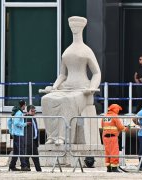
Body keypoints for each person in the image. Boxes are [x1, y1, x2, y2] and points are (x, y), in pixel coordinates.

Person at [41, 16, 101, 145]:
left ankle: (63, 137)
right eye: (72, 26)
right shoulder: (67, 51)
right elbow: (62, 74)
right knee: (46, 100)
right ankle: (52, 136)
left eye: (77, 26)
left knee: (68, 101)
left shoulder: (87, 50)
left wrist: (91, 88)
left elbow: (97, 73)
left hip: (82, 90)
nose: (74, 28)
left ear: (82, 27)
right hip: (66, 88)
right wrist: (54, 86)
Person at [101, 104, 128, 172]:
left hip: (105, 137)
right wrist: (126, 128)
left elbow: (102, 126)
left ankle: (108, 167)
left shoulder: (105, 116)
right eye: (118, 109)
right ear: (115, 109)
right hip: (112, 137)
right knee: (114, 152)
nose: (118, 111)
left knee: (107, 152)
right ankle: (114, 168)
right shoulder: (115, 116)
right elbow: (120, 127)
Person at [7, 100, 31, 171]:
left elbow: (9, 122)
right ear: (23, 105)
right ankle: (23, 166)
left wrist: (11, 131)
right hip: (19, 134)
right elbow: (16, 123)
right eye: (25, 105)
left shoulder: (15, 111)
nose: (25, 106)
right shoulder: (19, 112)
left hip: (15, 134)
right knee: (21, 150)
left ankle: (12, 165)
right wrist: (25, 124)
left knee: (16, 151)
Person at [24, 105, 42, 172]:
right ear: (28, 111)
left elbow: (35, 129)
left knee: (36, 157)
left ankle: (39, 170)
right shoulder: (26, 117)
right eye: (32, 111)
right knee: (26, 157)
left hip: (34, 141)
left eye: (34, 111)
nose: (34, 112)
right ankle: (27, 169)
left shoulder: (33, 118)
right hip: (28, 141)